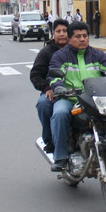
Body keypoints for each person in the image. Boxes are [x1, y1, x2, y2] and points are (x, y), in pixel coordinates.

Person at [48, 21, 106, 171]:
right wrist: (59, 87)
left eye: (85, 36)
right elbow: (54, 76)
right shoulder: (60, 56)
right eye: (78, 36)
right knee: (60, 113)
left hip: (94, 99)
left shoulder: (97, 54)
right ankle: (60, 156)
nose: (83, 39)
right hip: (70, 98)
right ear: (69, 39)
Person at [30, 18, 70, 154]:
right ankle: (51, 140)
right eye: (58, 31)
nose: (62, 34)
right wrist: (47, 88)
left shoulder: (76, 50)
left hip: (76, 90)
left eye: (65, 31)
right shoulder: (46, 52)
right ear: (53, 34)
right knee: (43, 104)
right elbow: (35, 74)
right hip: (53, 91)